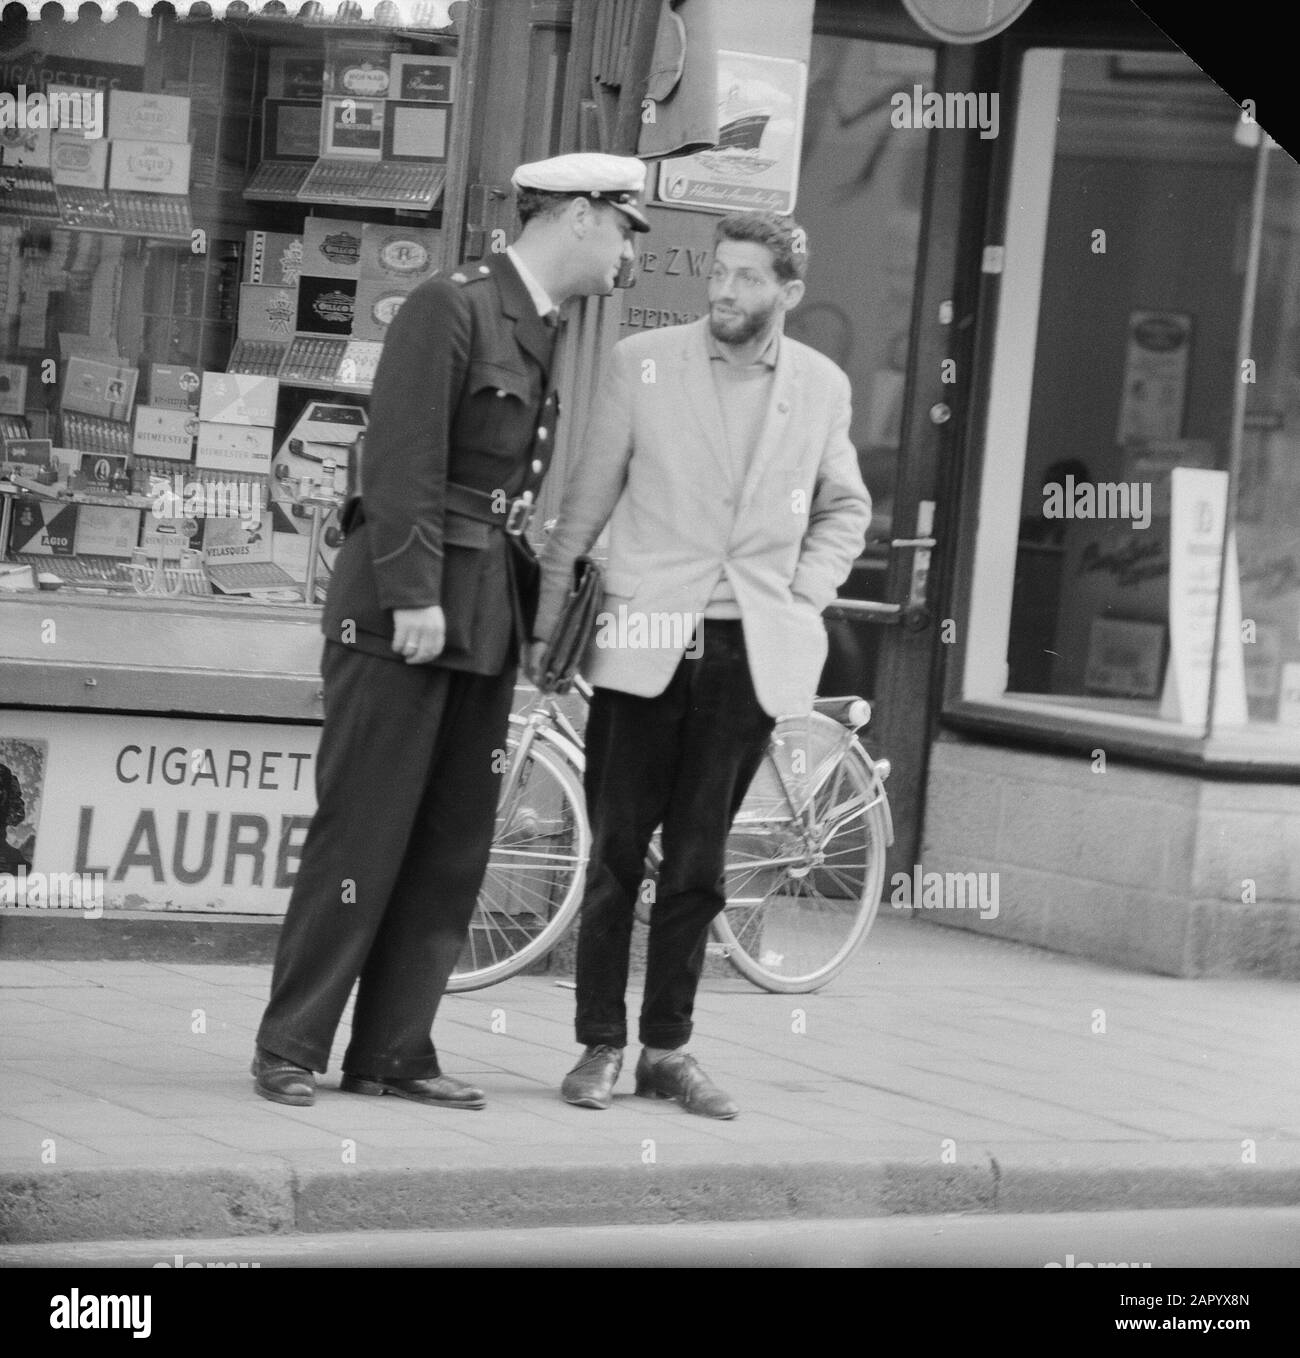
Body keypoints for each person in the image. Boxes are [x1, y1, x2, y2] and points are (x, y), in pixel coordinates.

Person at [252, 153, 650, 1109]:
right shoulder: (453, 304)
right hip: (409, 611)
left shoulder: (545, 323)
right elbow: (397, 459)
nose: (633, 249)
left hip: (484, 611)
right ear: (581, 214)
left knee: (450, 842)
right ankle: (291, 1046)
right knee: (364, 831)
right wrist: (416, 594)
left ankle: (394, 1050)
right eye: (627, 226)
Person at [530, 211, 871, 1119]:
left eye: (748, 278)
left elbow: (845, 507)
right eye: (718, 273)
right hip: (644, 639)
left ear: (788, 293)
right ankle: (599, 1043)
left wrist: (804, 596)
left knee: (699, 866)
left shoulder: (821, 386)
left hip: (745, 650)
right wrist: (546, 625)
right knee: (613, 852)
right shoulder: (643, 363)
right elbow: (584, 502)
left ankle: (667, 1050)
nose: (724, 291)